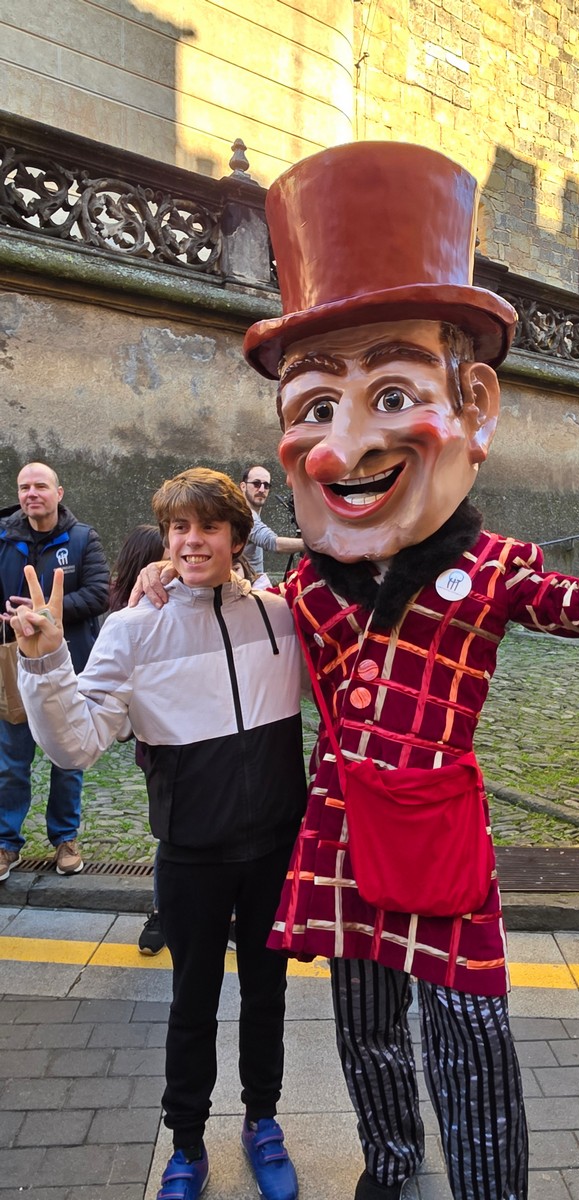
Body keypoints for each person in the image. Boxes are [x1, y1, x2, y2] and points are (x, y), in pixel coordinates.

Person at [133, 145, 579, 1200]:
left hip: (439, 837)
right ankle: (388, 1166)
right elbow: (236, 618)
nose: (344, 449)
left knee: (471, 1038)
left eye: (391, 393)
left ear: (475, 405)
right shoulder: (303, 588)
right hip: (343, 830)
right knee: (366, 1030)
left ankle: (486, 1189)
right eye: (314, 408)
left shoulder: (495, 565)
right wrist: (177, 576)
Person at [14, 468, 306, 1200]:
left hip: (275, 847)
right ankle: (186, 1144)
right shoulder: (133, 628)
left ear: (238, 538)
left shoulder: (279, 617)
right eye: (179, 528)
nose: (191, 541)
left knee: (267, 995)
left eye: (208, 527)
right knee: (191, 1003)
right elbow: (76, 743)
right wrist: (45, 660)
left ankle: (263, 1121)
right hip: (192, 854)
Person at [0, 461, 109, 880]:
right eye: (24, 487)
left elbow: (99, 594)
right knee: (11, 761)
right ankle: (6, 843)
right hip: (14, 666)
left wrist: (46, 613)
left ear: (58, 493)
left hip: (70, 667)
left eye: (40, 486)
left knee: (68, 760)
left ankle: (65, 838)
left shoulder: (82, 538)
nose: (32, 493)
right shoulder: (4, 539)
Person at [109, 523, 167, 955]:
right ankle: (163, 912)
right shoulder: (129, 618)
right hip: (159, 745)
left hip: (207, 739)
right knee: (172, 833)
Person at [240, 465, 304, 582]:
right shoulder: (245, 515)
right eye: (256, 484)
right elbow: (273, 543)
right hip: (247, 586)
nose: (261, 489)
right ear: (243, 486)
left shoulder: (248, 513)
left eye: (266, 485)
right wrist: (315, 545)